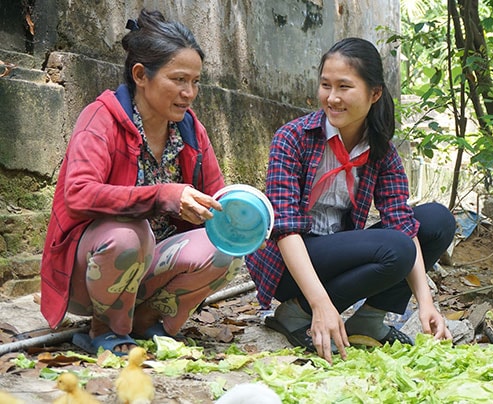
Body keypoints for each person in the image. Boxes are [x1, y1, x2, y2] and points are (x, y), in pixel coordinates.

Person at [40, 9, 242, 355]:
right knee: (129, 234)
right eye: (178, 79)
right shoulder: (101, 118)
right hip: (90, 272)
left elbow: (215, 200)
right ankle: (106, 329)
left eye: (195, 81)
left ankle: (147, 322)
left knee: (226, 248)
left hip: (150, 269)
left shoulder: (191, 131)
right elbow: (78, 194)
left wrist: (244, 219)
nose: (189, 92)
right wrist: (162, 195)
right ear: (141, 75)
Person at [245, 38, 456, 364]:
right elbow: (285, 230)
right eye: (326, 85)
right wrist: (320, 305)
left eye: (344, 86)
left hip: (339, 252)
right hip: (290, 264)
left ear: (374, 94)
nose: (332, 98)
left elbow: (403, 222)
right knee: (395, 248)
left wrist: (426, 302)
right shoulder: (293, 138)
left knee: (437, 221)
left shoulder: (380, 150)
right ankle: (295, 312)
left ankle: (369, 322)